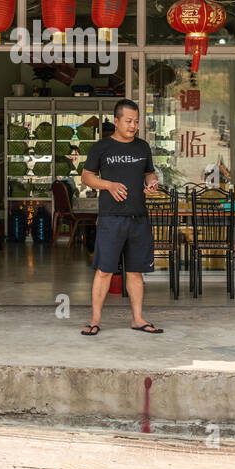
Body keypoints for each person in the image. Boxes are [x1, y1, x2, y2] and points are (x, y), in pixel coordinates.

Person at [79, 99, 162, 336]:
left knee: (135, 271)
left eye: (136, 121)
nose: (133, 125)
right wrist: (109, 185)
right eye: (128, 121)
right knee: (104, 270)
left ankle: (137, 318)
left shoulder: (142, 147)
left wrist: (152, 183)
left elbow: (149, 173)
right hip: (111, 218)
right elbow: (86, 177)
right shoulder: (101, 147)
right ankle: (95, 320)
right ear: (116, 121)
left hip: (139, 217)